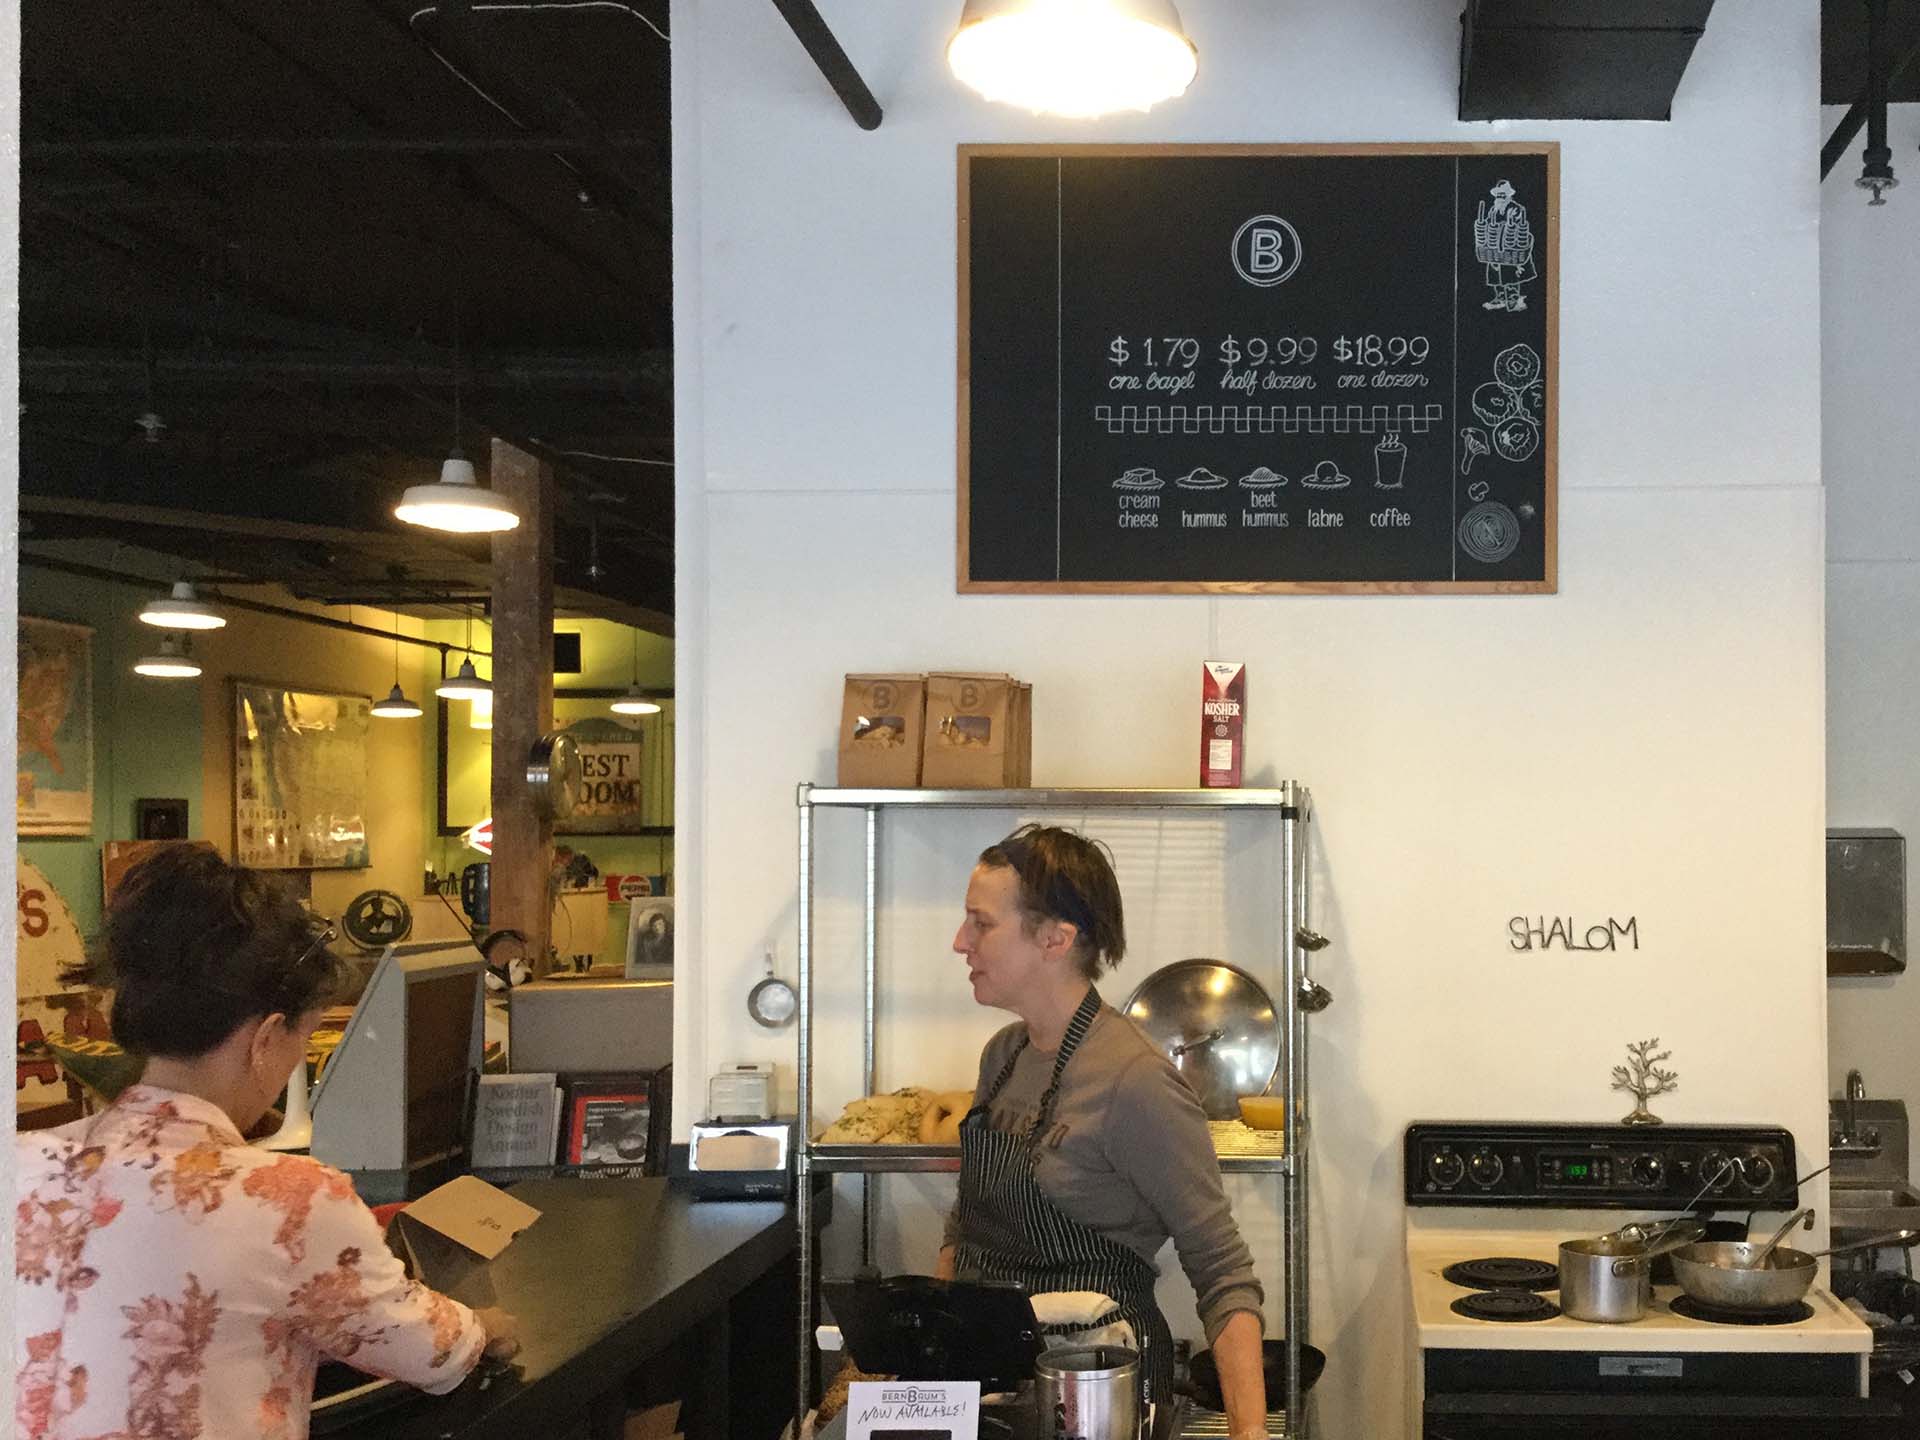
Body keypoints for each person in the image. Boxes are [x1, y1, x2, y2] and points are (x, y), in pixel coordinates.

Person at [14, 848, 518, 1440]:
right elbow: (435, 1352)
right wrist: (481, 1325)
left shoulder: (22, 1162)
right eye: (302, 1038)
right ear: (267, 1038)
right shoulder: (289, 1201)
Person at [937, 825, 1269, 1435]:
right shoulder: (1002, 1056)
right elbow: (967, 1224)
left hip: (1098, 1395)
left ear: (1055, 939)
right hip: (990, 1386)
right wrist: (928, 1356)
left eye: (980, 923)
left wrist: (1248, 1432)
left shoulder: (1134, 1082)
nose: (961, 942)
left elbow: (1222, 1273)